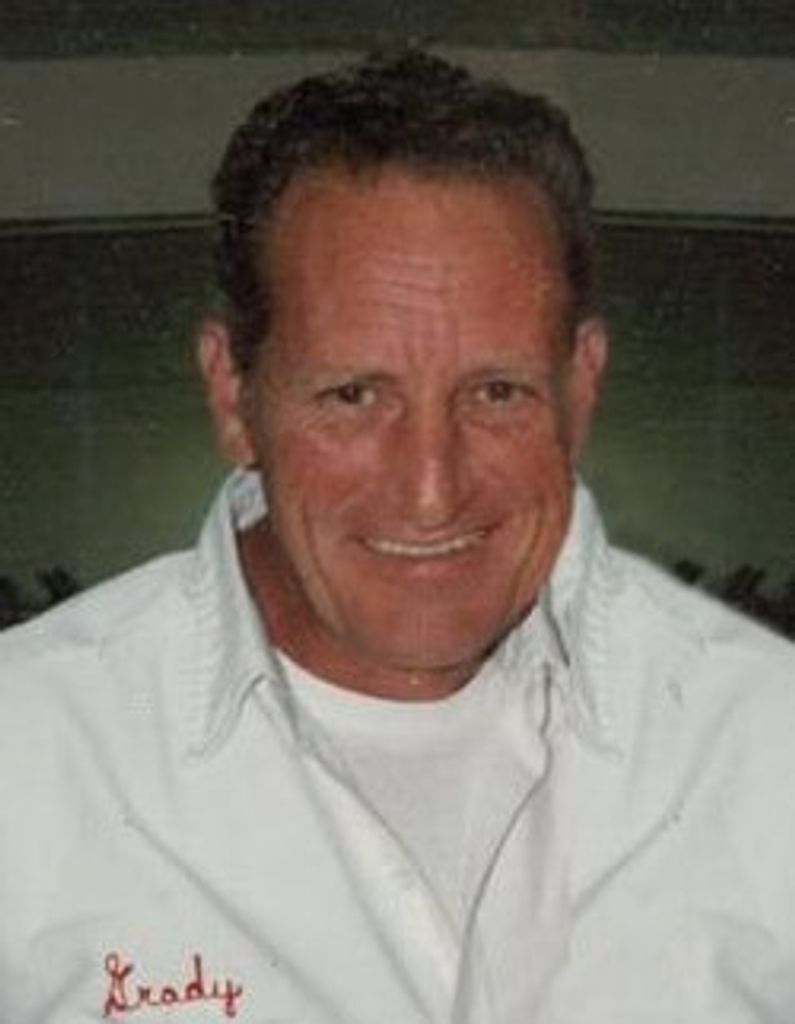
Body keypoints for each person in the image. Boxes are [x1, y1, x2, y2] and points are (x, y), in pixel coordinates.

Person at [1, 51, 794, 1024]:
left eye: (495, 392)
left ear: (580, 388)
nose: (429, 493)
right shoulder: (28, 752)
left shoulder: (763, 746)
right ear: (233, 395)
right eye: (353, 395)